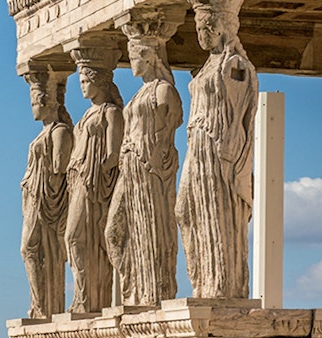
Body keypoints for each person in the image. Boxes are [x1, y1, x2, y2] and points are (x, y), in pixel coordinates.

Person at [177, 0, 257, 299]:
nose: (201, 34)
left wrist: (231, 151)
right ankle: (202, 280)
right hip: (197, 144)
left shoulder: (235, 65)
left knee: (218, 212)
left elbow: (240, 113)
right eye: (199, 27)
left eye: (206, 28)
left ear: (222, 28)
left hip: (218, 145)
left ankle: (222, 285)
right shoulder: (207, 66)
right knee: (185, 210)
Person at [105, 20, 184, 305]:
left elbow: (174, 122)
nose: (132, 62)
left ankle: (153, 293)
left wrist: (154, 156)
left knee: (151, 228)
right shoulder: (140, 93)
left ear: (150, 56)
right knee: (114, 231)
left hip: (150, 169)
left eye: (135, 55)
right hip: (130, 169)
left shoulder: (163, 91)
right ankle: (134, 288)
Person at [65, 57, 124, 313]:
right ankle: (83, 297)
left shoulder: (110, 112)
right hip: (78, 181)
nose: (82, 86)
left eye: (87, 81)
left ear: (100, 81)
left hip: (94, 184)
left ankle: (90, 299)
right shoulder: (87, 113)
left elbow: (114, 154)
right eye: (81, 81)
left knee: (77, 237)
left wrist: (96, 173)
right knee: (75, 239)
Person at [20, 72, 73, 318]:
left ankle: (45, 306)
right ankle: (41, 305)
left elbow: (59, 169)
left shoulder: (60, 131)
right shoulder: (43, 134)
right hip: (33, 198)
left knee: (31, 248)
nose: (33, 109)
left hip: (46, 200)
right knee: (31, 249)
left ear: (48, 102)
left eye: (35, 102)